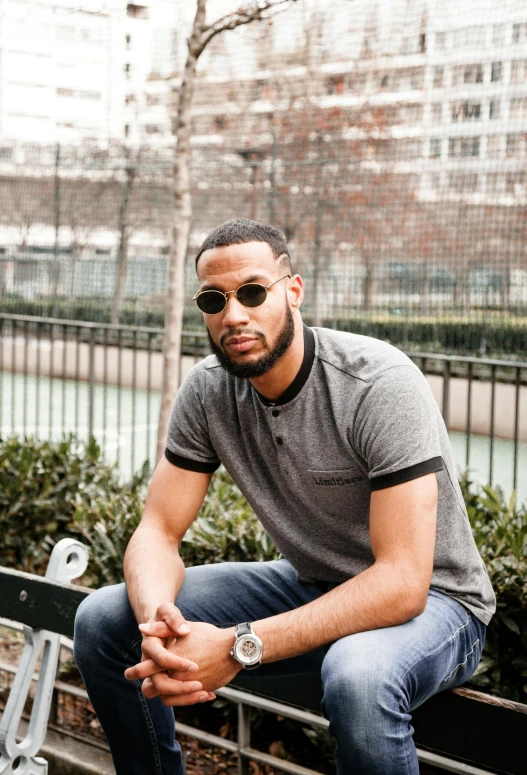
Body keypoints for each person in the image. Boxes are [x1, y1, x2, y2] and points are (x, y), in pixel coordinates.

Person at [74, 218, 495, 775]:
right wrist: (161, 629)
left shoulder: (378, 384)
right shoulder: (207, 390)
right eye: (213, 299)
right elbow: (158, 530)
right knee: (104, 620)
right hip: (311, 584)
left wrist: (235, 646)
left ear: (292, 291)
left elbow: (402, 583)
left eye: (252, 292)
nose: (233, 315)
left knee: (359, 676)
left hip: (437, 605)